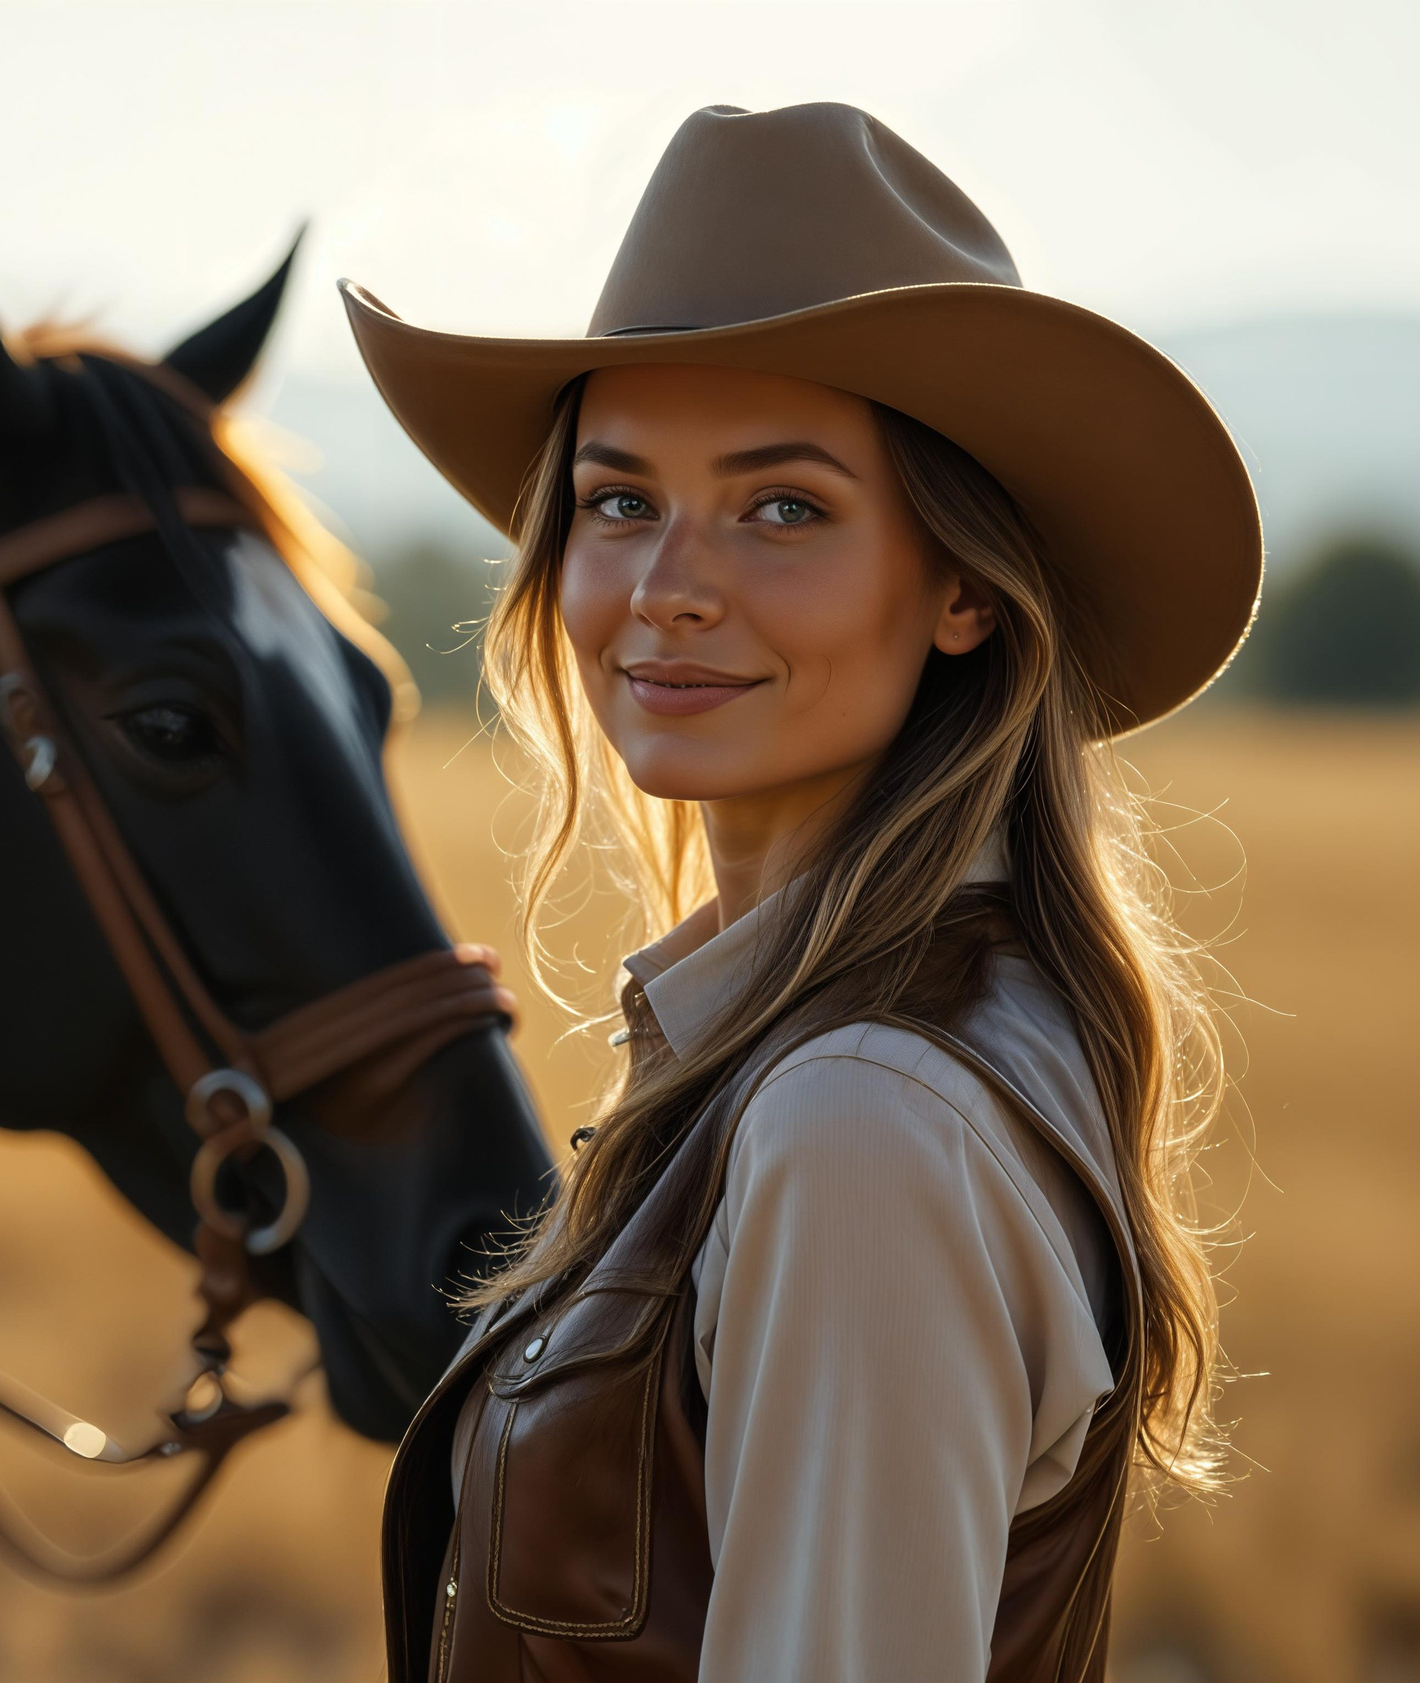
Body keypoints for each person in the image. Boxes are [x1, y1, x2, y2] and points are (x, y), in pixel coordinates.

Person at [343, 103, 1259, 1681]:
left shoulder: (861, 1120)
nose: (668, 585)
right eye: (619, 501)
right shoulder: (820, 1046)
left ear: (964, 586)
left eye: (783, 508)